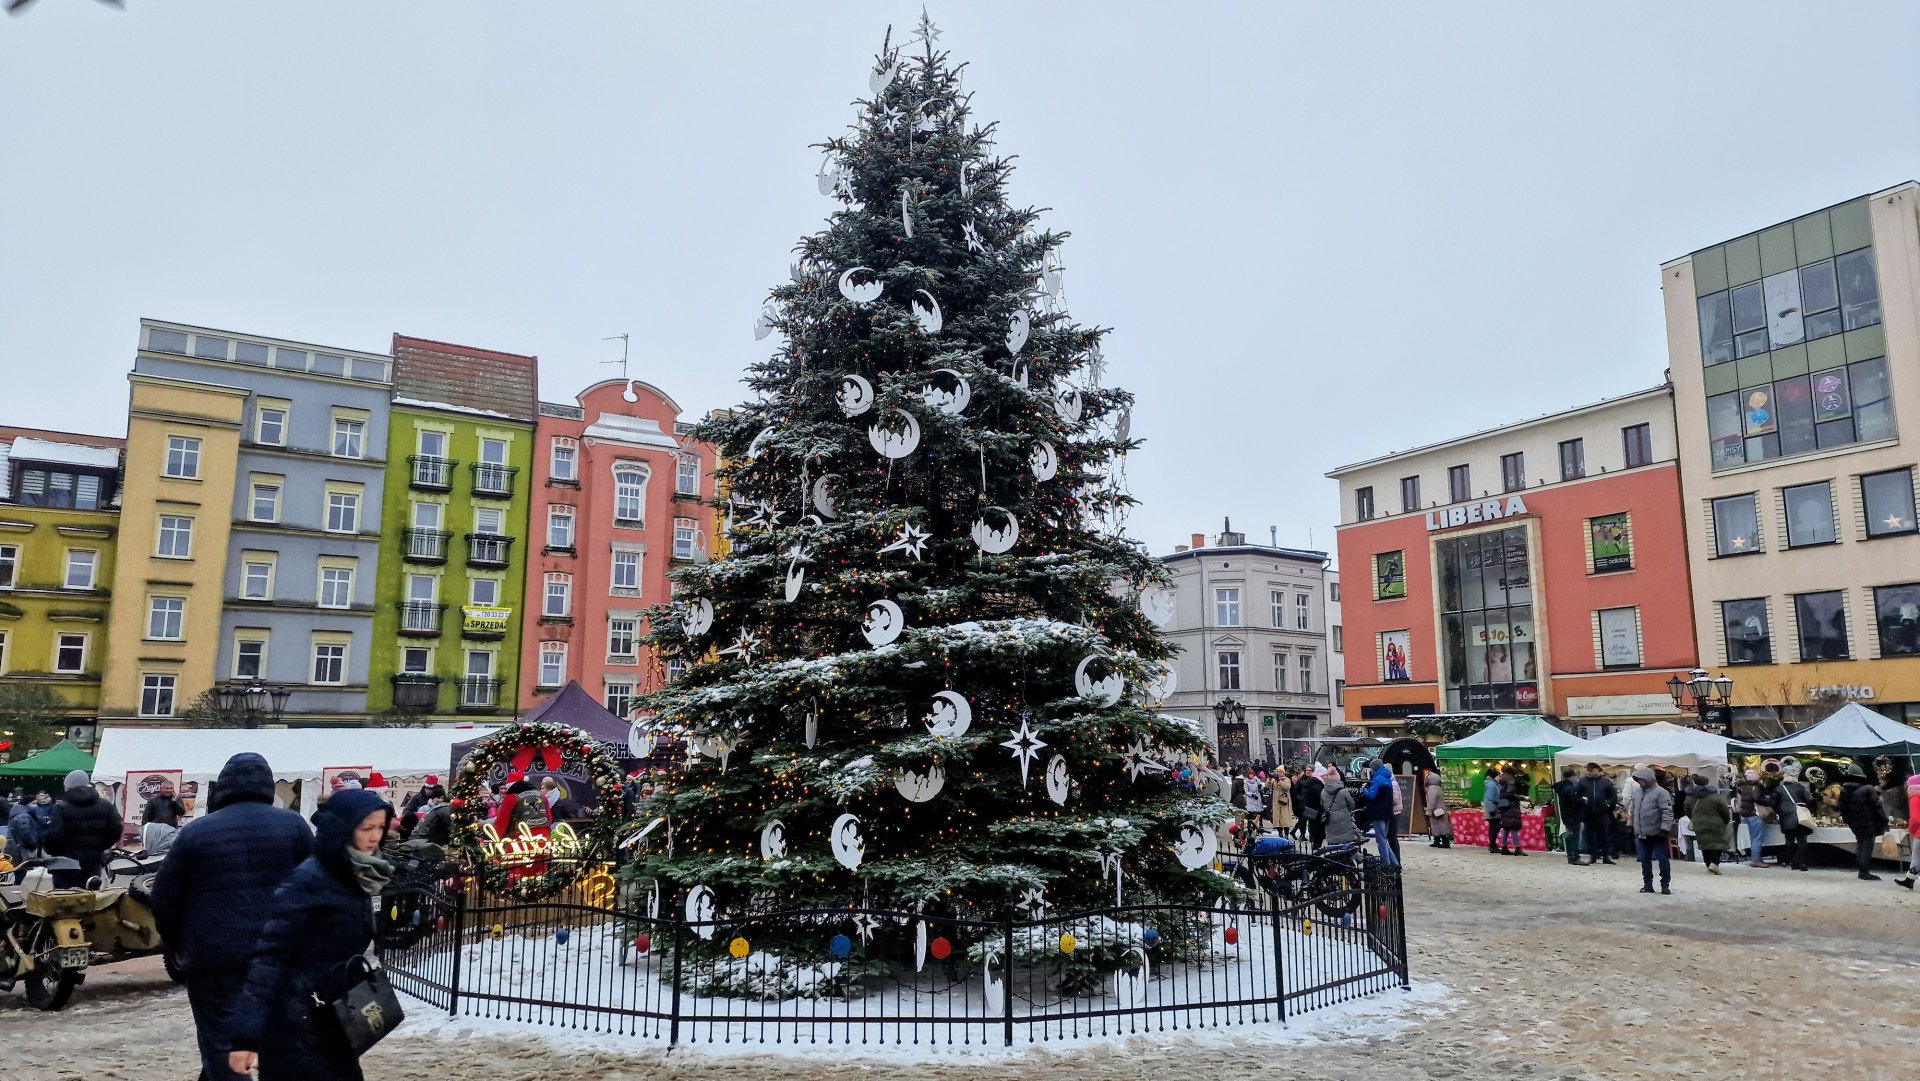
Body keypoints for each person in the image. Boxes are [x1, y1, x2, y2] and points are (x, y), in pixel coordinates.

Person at [151, 753, 316, 1081]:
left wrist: (178, 944)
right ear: (268, 786)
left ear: (222, 787)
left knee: (222, 1043)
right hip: (280, 958)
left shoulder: (196, 833)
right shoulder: (294, 826)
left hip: (215, 958)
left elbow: (164, 898)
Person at [229, 788, 394, 1081]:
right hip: (298, 1024)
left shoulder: (357, 875)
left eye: (380, 827)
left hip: (333, 1016)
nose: (374, 837)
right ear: (343, 830)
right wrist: (245, 1037)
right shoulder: (309, 881)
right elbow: (269, 959)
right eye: (366, 828)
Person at [44, 769, 123, 888]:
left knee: (63, 896)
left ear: (67, 787)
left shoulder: (60, 808)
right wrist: (101, 847)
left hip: (65, 864)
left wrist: (55, 852)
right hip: (93, 862)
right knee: (90, 895)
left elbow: (53, 836)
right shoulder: (105, 806)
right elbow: (116, 829)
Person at [1839, 764, 1890, 881]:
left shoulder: (1844, 789)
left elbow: (1842, 808)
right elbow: (1877, 807)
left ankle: (1861, 870)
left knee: (1861, 844)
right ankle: (1864, 872)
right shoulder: (1867, 788)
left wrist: (1848, 820)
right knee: (1867, 846)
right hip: (1868, 822)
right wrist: (1884, 820)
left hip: (1854, 823)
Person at [1629, 767, 1675, 895]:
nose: (1639, 782)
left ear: (1648, 779)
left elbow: (1667, 812)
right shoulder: (1637, 793)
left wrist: (1665, 829)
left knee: (1662, 859)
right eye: (1638, 780)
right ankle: (1647, 885)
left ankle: (1665, 885)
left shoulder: (1662, 793)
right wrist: (1631, 825)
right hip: (1641, 833)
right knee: (1644, 860)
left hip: (1657, 833)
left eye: (1641, 779)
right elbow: (1633, 810)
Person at [1682, 775, 1732, 875]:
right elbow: (1724, 810)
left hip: (1699, 823)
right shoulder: (1715, 796)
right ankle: (1714, 863)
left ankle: (1708, 863)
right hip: (1716, 823)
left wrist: (1694, 819)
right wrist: (1726, 820)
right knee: (1717, 843)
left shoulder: (1690, 796)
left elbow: (1686, 810)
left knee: (1704, 844)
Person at [1577, 763, 1618, 866]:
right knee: (1590, 835)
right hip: (1588, 813)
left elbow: (1613, 795)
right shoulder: (1582, 782)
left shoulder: (1606, 782)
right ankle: (1593, 856)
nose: (1590, 773)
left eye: (1592, 771)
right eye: (1588, 771)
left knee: (1604, 834)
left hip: (1603, 812)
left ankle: (1606, 856)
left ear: (1598, 770)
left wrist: (1608, 804)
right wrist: (1582, 802)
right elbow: (1576, 794)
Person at [1773, 769, 1814, 872]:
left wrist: (1779, 812)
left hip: (1786, 817)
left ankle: (1791, 861)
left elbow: (1773, 803)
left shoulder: (1778, 789)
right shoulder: (1800, 788)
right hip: (1800, 816)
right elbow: (1809, 800)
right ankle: (1801, 863)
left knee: (1789, 841)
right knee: (1802, 841)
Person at [1362, 759, 1398, 867]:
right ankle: (1395, 864)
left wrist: (1364, 789)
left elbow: (1372, 795)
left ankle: (1385, 864)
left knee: (1381, 840)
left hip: (1378, 814)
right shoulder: (1388, 778)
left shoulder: (1377, 779)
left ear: (1374, 768)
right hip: (1387, 813)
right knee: (1384, 840)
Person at [1552, 765, 1587, 865]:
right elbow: (1574, 801)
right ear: (1571, 776)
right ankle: (1575, 856)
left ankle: (1570, 855)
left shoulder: (1561, 787)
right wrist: (1583, 800)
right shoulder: (1569, 788)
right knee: (1574, 836)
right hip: (1573, 815)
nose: (1576, 779)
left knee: (1569, 834)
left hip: (1566, 815)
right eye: (1576, 776)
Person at [1735, 769, 1770, 868]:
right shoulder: (1755, 788)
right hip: (1755, 814)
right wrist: (1767, 800)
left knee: (1752, 838)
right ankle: (1756, 860)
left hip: (1745, 814)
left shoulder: (1742, 788)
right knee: (1757, 838)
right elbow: (1757, 798)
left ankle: (1755, 857)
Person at [1322, 771, 1360, 849]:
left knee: (1333, 845)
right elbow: (1352, 805)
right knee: (1346, 845)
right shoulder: (1343, 792)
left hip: (1330, 820)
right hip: (1344, 820)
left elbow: (1322, 805)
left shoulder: (1323, 792)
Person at [1896, 775, 1920, 890]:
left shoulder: (1915, 798)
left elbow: (1915, 819)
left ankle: (1909, 880)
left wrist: (1912, 829)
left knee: (1917, 855)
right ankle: (1909, 880)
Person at [6, 793, 44, 861]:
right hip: (23, 850)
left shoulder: (17, 813)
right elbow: (26, 834)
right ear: (26, 804)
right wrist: (33, 844)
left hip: (15, 846)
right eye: (33, 803)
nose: (36, 806)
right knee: (25, 865)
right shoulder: (24, 817)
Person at [1496, 769, 1526, 856]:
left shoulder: (1501, 780)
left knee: (1506, 827)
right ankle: (1517, 848)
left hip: (1503, 806)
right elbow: (1511, 794)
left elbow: (1503, 794)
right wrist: (1521, 797)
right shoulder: (1510, 779)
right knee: (1513, 827)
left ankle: (1504, 847)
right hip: (1511, 806)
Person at [1423, 768, 1452, 848]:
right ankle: (1438, 840)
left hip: (1435, 811)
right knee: (1441, 825)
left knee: (1437, 826)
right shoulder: (1439, 788)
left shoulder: (1431, 788)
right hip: (1441, 809)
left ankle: (1443, 841)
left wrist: (1429, 810)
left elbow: (1431, 800)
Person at [1298, 768, 1326, 849]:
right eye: (1325, 775)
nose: (1326, 777)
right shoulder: (1318, 785)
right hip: (1316, 808)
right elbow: (1321, 798)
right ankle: (1315, 845)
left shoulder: (1311, 782)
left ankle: (1313, 841)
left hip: (1308, 807)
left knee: (1312, 825)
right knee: (1317, 827)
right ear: (1321, 775)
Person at [1481, 767, 1503, 854]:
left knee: (1494, 827)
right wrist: (1492, 810)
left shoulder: (1495, 785)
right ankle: (1492, 845)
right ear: (1495, 776)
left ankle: (1492, 845)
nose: (1500, 777)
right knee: (1494, 828)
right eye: (1499, 776)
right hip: (1493, 810)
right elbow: (1489, 798)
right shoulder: (1491, 785)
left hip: (1495, 809)